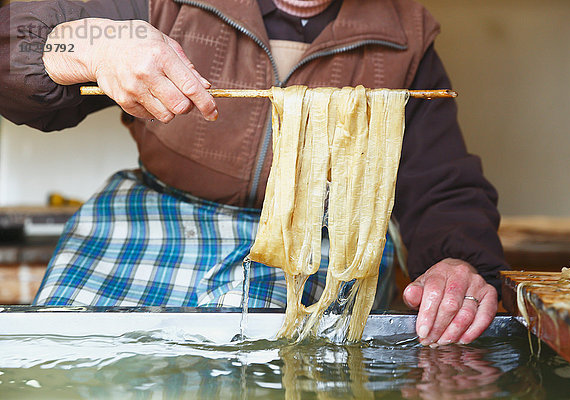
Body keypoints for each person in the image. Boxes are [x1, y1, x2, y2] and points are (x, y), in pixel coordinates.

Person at [0, 0, 508, 346]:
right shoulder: (161, 2)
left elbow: (443, 187)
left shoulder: (407, 36)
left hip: (321, 244)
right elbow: (15, 42)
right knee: (73, 355)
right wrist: (94, 44)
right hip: (154, 216)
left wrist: (458, 262)